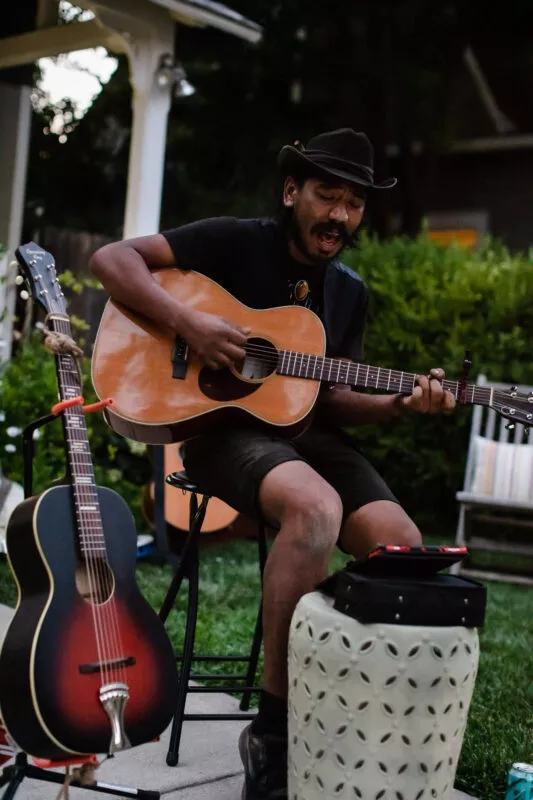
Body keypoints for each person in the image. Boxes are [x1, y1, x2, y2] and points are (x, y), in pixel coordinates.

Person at [90, 127, 456, 800]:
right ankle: (275, 730)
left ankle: (348, 706)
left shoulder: (347, 293)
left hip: (306, 436)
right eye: (326, 195)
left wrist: (401, 405)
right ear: (293, 191)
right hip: (219, 431)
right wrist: (190, 324)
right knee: (313, 510)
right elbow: (112, 260)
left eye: (353, 203)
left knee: (402, 546)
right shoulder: (234, 241)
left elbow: (332, 400)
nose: (339, 215)